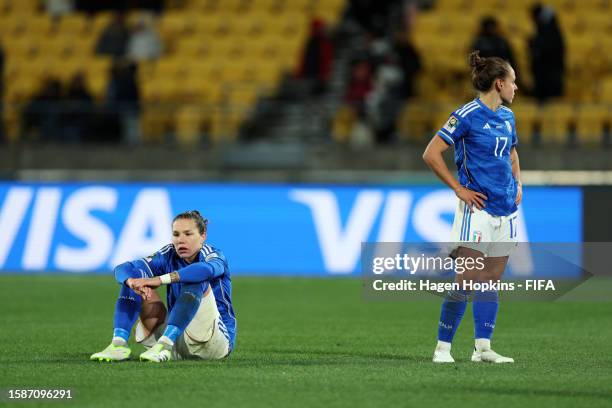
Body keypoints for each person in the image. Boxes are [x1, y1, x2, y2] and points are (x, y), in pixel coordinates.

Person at [422, 50, 522, 364]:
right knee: (465, 282)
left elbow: (512, 152)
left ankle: (483, 348)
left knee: (491, 282)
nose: (516, 88)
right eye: (513, 82)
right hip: (477, 211)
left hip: (505, 211)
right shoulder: (466, 115)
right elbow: (431, 153)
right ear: (499, 84)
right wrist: (458, 189)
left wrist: (518, 183)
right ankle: (442, 349)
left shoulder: (507, 117)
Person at [91, 210, 236, 362]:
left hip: (213, 343)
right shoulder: (168, 254)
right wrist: (131, 281)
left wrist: (159, 280)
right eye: (176, 234)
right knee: (135, 280)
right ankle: (118, 345)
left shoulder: (213, 255)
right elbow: (123, 268)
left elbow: (205, 270)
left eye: (188, 234)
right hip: (174, 341)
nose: (181, 240)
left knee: (196, 279)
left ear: (203, 236)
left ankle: (164, 344)